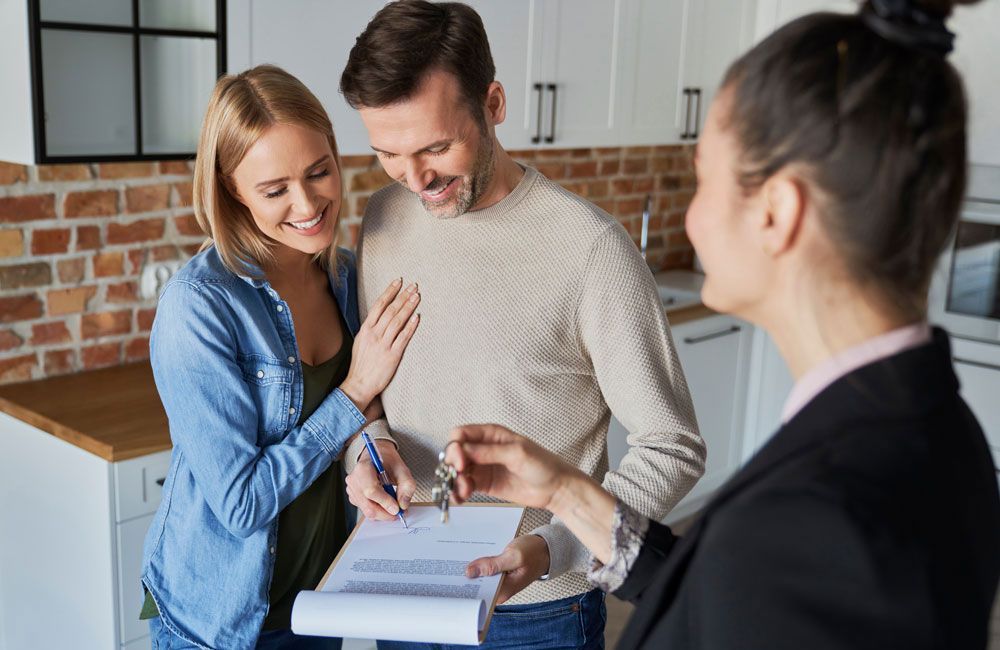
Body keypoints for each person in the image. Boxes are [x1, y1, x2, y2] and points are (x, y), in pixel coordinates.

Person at [442, 1, 1000, 648]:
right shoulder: (941, 432)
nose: (691, 221)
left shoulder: (818, 515)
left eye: (703, 177)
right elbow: (732, 598)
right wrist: (568, 492)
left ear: (776, 212)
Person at [338, 1, 706, 647]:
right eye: (388, 153)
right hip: (409, 584)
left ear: (495, 104)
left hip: (539, 611)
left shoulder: (589, 248)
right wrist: (368, 448)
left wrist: (552, 547)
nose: (416, 179)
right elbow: (371, 389)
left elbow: (670, 443)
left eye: (436, 146)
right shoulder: (382, 220)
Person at [139, 65, 420, 649]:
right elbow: (242, 504)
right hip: (221, 625)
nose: (309, 203)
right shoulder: (200, 307)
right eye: (275, 190)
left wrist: (370, 450)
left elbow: (352, 415)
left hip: (318, 606)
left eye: (320, 172)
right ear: (231, 191)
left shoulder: (344, 276)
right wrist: (353, 394)